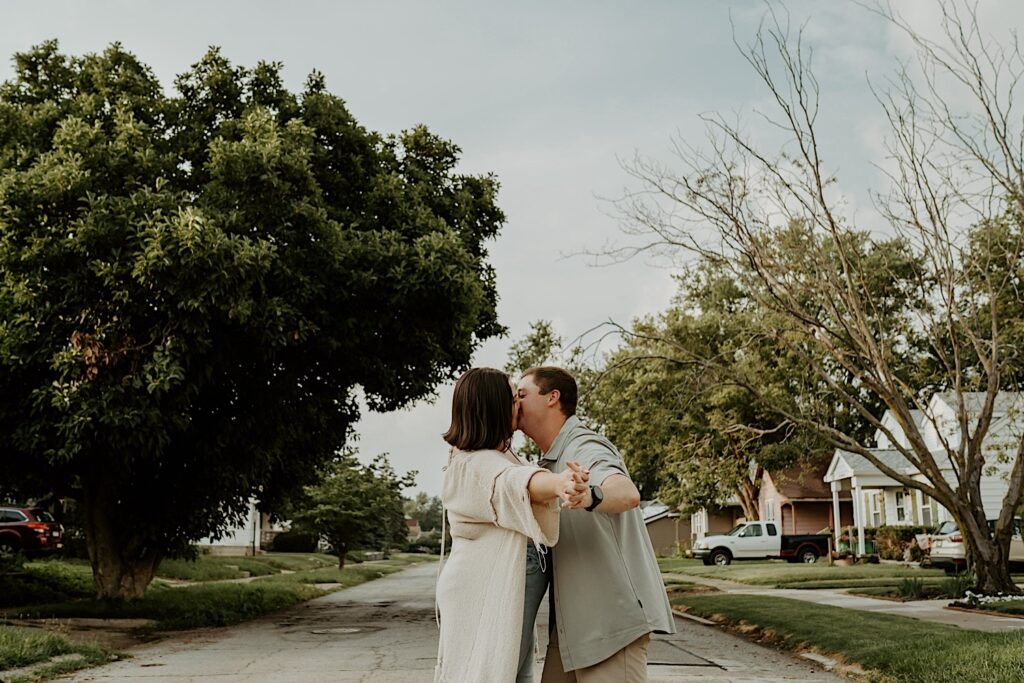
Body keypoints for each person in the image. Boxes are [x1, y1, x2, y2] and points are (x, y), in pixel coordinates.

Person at [516, 366, 676, 683]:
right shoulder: (547, 464)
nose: (516, 403)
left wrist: (591, 495)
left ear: (552, 398)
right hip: (574, 631)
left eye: (522, 395)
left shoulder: (584, 447)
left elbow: (627, 492)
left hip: (612, 627)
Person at [434, 367, 588, 683]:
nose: (518, 404)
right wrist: (560, 483)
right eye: (513, 397)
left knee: (507, 671)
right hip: (482, 589)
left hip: (489, 584)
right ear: (494, 406)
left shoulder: (484, 455)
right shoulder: (477, 463)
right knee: (493, 673)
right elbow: (513, 482)